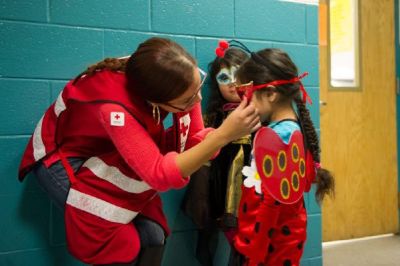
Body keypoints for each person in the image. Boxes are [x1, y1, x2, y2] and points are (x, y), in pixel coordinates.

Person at [18, 37, 260, 266]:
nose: (196, 100)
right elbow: (159, 174)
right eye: (187, 100)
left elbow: (193, 143)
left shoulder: (168, 74)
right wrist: (223, 135)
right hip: (64, 158)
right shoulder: (115, 107)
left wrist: (216, 138)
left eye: (197, 89)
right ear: (154, 99)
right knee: (120, 244)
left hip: (109, 155)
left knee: (153, 235)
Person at [231, 48, 335, 266]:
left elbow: (269, 205)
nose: (243, 103)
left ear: (270, 93)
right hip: (283, 238)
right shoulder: (293, 129)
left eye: (245, 94)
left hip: (265, 244)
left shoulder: (276, 138)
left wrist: (254, 253)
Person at [182, 41, 251, 265]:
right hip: (219, 192)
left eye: (239, 76)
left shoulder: (260, 116)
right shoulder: (212, 118)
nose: (232, 84)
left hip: (250, 193)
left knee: (248, 244)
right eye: (224, 78)